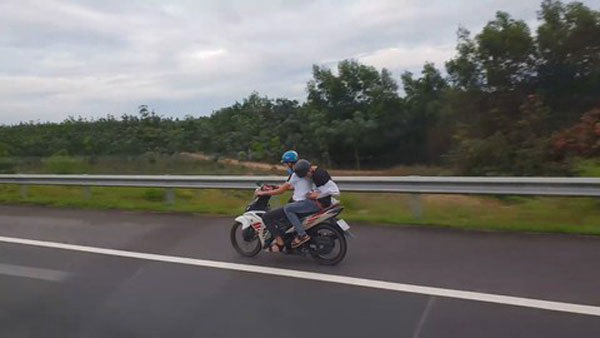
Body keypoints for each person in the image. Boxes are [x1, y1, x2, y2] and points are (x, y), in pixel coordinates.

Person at [255, 151, 312, 252]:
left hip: (300, 204)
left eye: (285, 164)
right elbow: (291, 186)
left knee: (267, 217)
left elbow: (281, 191)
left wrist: (263, 193)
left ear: (290, 163)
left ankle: (280, 243)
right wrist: (276, 187)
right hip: (308, 202)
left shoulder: (295, 174)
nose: (285, 167)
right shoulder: (304, 172)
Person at [284, 160, 340, 248]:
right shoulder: (318, 172)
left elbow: (332, 192)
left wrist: (314, 195)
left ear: (308, 171)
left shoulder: (318, 176)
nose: (306, 177)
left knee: (288, 208)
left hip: (320, 204)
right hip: (323, 202)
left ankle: (302, 235)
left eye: (306, 175)